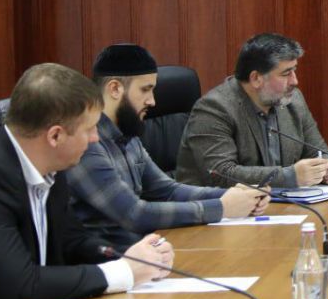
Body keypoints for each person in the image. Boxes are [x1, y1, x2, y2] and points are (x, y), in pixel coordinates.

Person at [0, 64, 173, 299]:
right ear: (56, 136)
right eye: (89, 129)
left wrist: (134, 258)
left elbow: (72, 241)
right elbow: (21, 284)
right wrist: (123, 272)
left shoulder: (51, 165)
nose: (96, 138)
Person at [66, 44, 268, 251]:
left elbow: (167, 190)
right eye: (145, 90)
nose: (152, 101)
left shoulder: (128, 133)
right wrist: (222, 207)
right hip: (111, 259)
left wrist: (235, 195)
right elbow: (133, 214)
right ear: (115, 89)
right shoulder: (87, 144)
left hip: (147, 251)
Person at [176, 33, 328, 188]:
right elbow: (221, 174)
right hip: (215, 206)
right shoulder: (214, 108)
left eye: (294, 70)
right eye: (286, 74)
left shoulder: (293, 100)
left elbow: (318, 151)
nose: (295, 81)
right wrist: (289, 176)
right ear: (256, 78)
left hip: (279, 203)